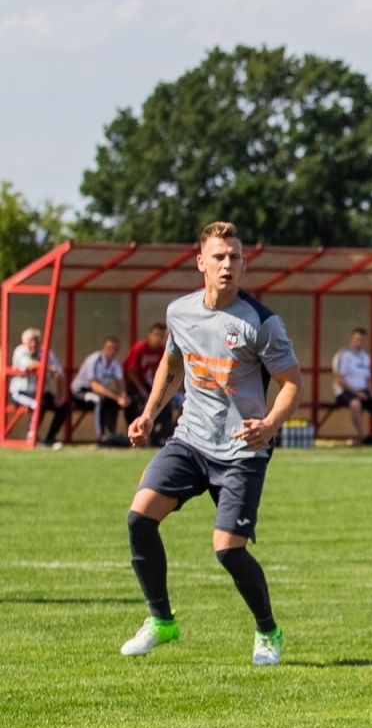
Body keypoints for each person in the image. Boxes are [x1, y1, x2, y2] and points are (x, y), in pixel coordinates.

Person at [120, 221, 303, 664]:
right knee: (139, 519)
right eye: (219, 256)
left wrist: (270, 424)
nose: (227, 264)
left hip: (242, 449)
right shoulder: (180, 312)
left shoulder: (260, 322)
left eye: (235, 257)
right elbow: (172, 365)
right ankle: (161, 620)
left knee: (227, 549)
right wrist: (148, 415)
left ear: (244, 264)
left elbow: (292, 383)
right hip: (191, 440)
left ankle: (267, 631)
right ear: (201, 262)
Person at [332, 328, 372, 444]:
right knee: (355, 404)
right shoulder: (343, 355)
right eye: (357, 339)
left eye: (362, 339)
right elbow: (339, 380)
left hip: (364, 391)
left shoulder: (365, 357)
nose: (360, 341)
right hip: (346, 392)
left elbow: (367, 378)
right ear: (352, 339)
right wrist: (357, 393)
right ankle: (364, 437)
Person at [8, 327, 70, 445]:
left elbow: (60, 373)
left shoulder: (47, 353)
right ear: (24, 342)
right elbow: (30, 365)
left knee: (64, 407)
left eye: (36, 341)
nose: (33, 344)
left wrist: (60, 395)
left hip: (41, 392)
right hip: (20, 392)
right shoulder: (20, 351)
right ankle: (32, 437)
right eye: (30, 341)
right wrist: (48, 367)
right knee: (38, 405)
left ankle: (50, 438)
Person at [71, 336, 129, 445]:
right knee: (99, 400)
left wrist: (123, 396)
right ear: (103, 348)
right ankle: (101, 436)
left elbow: (120, 382)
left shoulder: (115, 363)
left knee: (114, 402)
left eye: (114, 348)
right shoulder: (94, 360)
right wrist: (117, 398)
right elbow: (95, 386)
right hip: (81, 392)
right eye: (109, 348)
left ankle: (112, 434)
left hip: (99, 392)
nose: (111, 351)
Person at [125, 323, 174, 445]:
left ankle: (161, 437)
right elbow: (131, 372)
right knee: (136, 404)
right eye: (155, 335)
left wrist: (155, 390)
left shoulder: (162, 351)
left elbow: (158, 371)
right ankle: (133, 435)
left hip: (146, 385)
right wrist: (142, 391)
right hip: (132, 385)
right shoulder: (139, 348)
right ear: (149, 335)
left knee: (164, 402)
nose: (157, 339)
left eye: (161, 336)